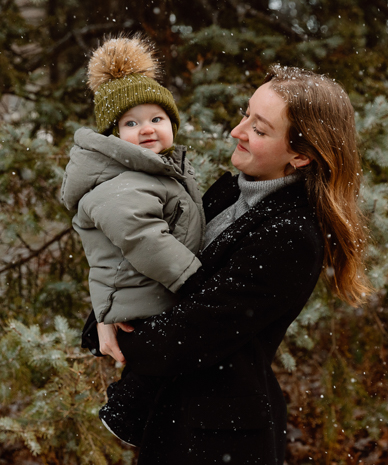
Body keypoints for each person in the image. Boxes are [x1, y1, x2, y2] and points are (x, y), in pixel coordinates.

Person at [84, 63, 372, 464]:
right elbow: (148, 261)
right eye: (245, 114)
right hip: (176, 419)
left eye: (259, 129)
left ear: (302, 155)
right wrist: (106, 311)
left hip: (220, 439)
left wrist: (118, 325)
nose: (237, 132)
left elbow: (184, 338)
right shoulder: (231, 189)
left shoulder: (292, 236)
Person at [60, 36, 204, 444]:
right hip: (141, 296)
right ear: (113, 135)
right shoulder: (122, 183)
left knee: (166, 372)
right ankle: (125, 415)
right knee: (159, 371)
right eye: (131, 123)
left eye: (157, 118)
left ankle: (138, 416)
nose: (146, 130)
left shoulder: (155, 172)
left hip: (146, 292)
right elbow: (143, 239)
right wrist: (195, 281)